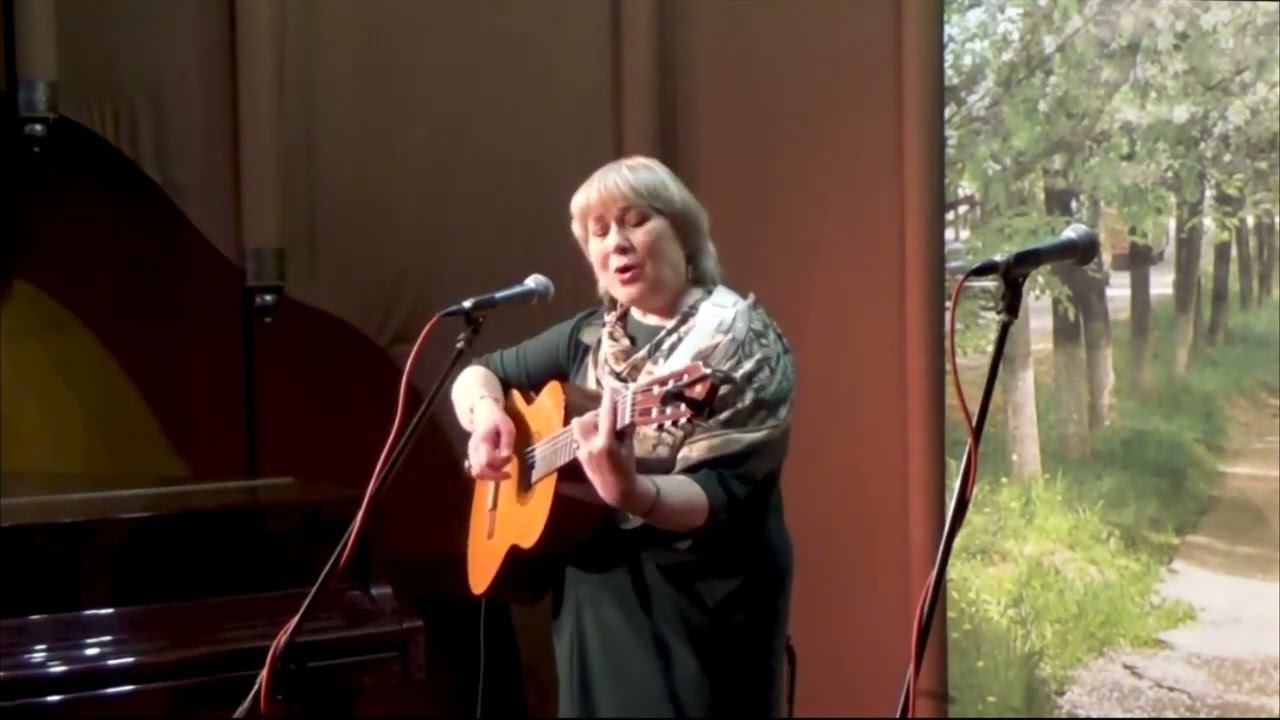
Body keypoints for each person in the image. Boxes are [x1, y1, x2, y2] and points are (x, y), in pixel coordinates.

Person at [449, 156, 796, 717]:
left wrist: (632, 492)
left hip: (698, 609)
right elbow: (477, 374)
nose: (617, 242)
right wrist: (487, 415)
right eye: (600, 231)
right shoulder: (591, 335)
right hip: (593, 597)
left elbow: (726, 492)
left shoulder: (736, 340)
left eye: (636, 220)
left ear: (683, 232)